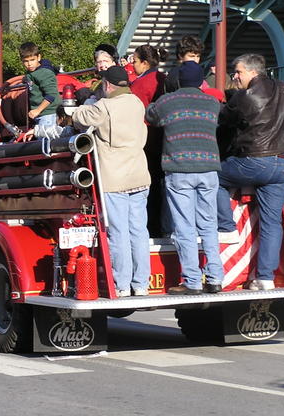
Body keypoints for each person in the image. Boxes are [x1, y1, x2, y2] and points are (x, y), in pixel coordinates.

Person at [217, 53, 284, 290]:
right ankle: (265, 278)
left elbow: (224, 119)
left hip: (255, 160)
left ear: (252, 72)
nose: (235, 76)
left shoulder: (244, 97)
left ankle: (226, 227)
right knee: (272, 223)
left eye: (238, 72)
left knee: (211, 174)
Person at [72, 66, 151, 297]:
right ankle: (142, 284)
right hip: (139, 175)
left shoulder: (104, 106)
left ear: (107, 85)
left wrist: (81, 106)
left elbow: (80, 118)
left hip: (115, 178)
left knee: (119, 232)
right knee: (139, 231)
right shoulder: (137, 103)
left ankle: (122, 285)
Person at [146, 61, 223, 295]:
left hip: (179, 170)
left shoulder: (168, 102)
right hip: (209, 170)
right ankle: (215, 278)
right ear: (201, 81)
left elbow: (151, 116)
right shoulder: (212, 102)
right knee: (209, 226)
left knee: (185, 228)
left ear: (178, 80)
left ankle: (192, 281)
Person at [129, 43, 168, 237]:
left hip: (146, 138)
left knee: (148, 186)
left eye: (135, 61)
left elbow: (134, 112)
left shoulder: (139, 84)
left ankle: (150, 227)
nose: (133, 65)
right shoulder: (163, 78)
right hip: (164, 136)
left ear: (144, 63)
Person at [19, 42, 62, 128]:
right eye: (26, 61)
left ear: (39, 57)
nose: (29, 64)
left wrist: (37, 110)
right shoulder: (32, 72)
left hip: (49, 114)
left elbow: (51, 94)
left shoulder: (45, 73)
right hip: (41, 115)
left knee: (45, 140)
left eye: (32, 60)